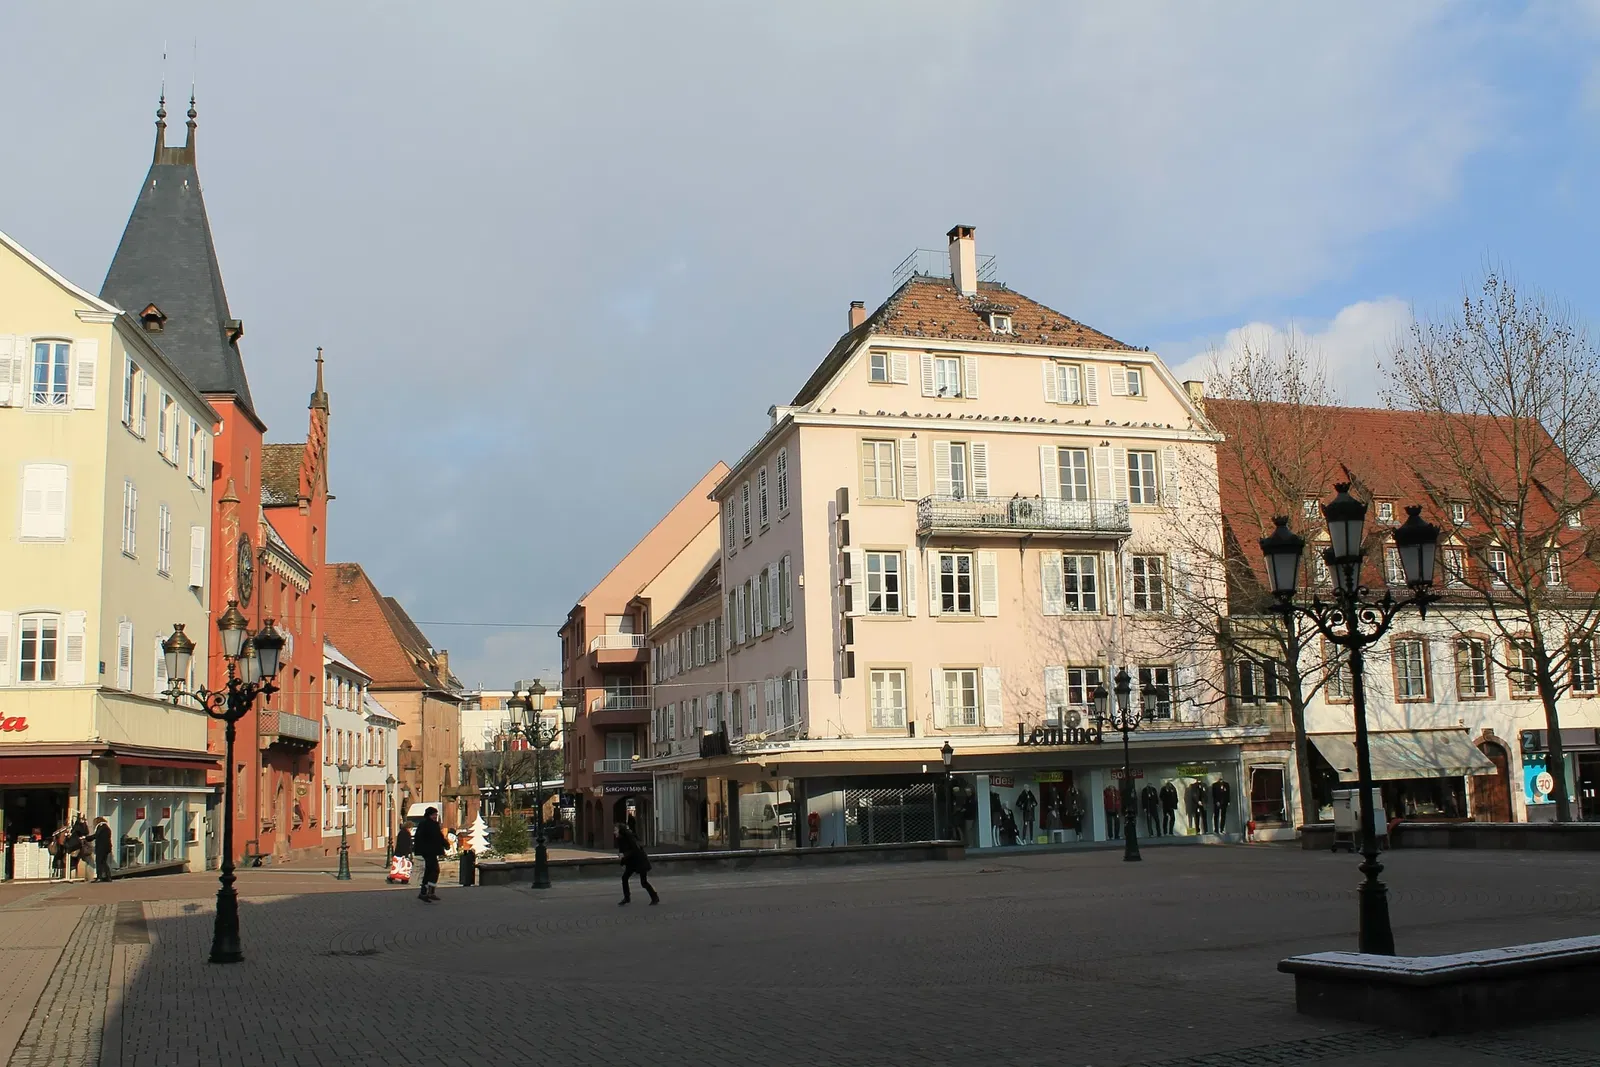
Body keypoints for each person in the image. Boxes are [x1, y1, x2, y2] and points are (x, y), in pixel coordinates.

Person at [614, 822, 658, 905]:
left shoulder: (629, 837)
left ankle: (655, 897)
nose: (614, 832)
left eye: (615, 830)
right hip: (632, 862)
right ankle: (627, 898)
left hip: (640, 861)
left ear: (620, 831)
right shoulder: (620, 839)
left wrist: (624, 854)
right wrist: (622, 858)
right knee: (624, 878)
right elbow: (622, 851)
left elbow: (635, 850)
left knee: (643, 882)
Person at [412, 807, 448, 902]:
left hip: (429, 851)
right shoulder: (428, 825)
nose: (435, 816)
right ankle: (426, 892)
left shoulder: (428, 824)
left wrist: (444, 844)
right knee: (433, 870)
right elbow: (435, 837)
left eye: (436, 814)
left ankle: (428, 892)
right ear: (429, 815)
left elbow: (438, 837)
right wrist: (445, 844)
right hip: (429, 851)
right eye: (434, 815)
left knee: (431, 870)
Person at [68, 815, 89, 881]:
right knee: (74, 860)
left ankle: (72, 875)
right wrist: (84, 823)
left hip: (75, 845)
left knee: (74, 859)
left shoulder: (75, 827)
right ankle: (72, 875)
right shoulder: (78, 827)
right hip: (75, 845)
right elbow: (85, 832)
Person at [92, 817, 113, 882]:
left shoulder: (101, 827)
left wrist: (86, 838)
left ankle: (99, 877)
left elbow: (96, 835)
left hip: (101, 847)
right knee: (104, 862)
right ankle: (108, 877)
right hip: (106, 847)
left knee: (99, 862)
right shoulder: (106, 827)